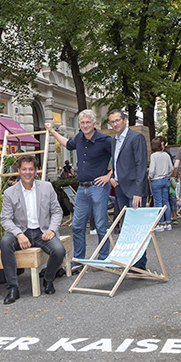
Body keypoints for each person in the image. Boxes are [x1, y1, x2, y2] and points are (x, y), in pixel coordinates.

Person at [46, 110, 113, 271]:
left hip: (99, 187)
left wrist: (109, 175)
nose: (85, 125)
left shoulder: (105, 140)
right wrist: (52, 131)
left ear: (94, 123)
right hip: (82, 189)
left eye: (88, 122)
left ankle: (103, 259)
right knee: (77, 225)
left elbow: (119, 157)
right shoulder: (79, 138)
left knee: (101, 225)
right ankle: (79, 260)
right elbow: (66, 143)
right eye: (82, 123)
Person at [0, 156, 66, 304]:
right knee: (5, 242)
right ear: (19, 171)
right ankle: (12, 288)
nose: (27, 172)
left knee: (59, 250)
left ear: (36, 171)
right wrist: (18, 234)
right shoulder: (10, 192)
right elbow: (5, 219)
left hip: (43, 231)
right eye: (24, 169)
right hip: (21, 231)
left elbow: (57, 212)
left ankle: (48, 279)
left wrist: (52, 230)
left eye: (31, 169)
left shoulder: (47, 187)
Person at [108, 109, 150, 269]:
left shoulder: (136, 137)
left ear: (125, 120)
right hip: (119, 188)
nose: (115, 124)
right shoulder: (114, 140)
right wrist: (112, 176)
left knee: (138, 228)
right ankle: (129, 261)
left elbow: (141, 166)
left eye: (117, 120)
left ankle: (140, 265)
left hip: (134, 190)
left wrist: (138, 192)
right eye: (112, 122)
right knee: (126, 228)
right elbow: (116, 161)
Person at [149, 137, 173, 231]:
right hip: (165, 180)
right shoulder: (166, 155)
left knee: (158, 202)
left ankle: (160, 224)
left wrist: (149, 178)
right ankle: (168, 223)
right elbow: (171, 168)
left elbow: (152, 170)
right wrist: (167, 175)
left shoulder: (153, 156)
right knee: (166, 202)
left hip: (156, 180)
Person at [159, 135, 178, 221]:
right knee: (166, 200)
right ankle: (168, 220)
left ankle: (166, 219)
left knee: (164, 200)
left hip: (163, 179)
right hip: (166, 178)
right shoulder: (167, 154)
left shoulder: (164, 154)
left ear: (162, 143)